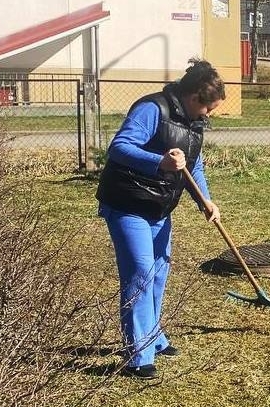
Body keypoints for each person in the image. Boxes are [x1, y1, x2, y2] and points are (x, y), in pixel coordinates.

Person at [96, 60, 225, 379]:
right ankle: (138, 354)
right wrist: (159, 162)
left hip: (159, 209)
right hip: (127, 203)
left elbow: (193, 167)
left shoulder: (194, 123)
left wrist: (204, 200)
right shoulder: (152, 109)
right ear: (194, 96)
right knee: (140, 272)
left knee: (158, 272)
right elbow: (119, 148)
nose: (208, 114)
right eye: (208, 107)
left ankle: (153, 336)